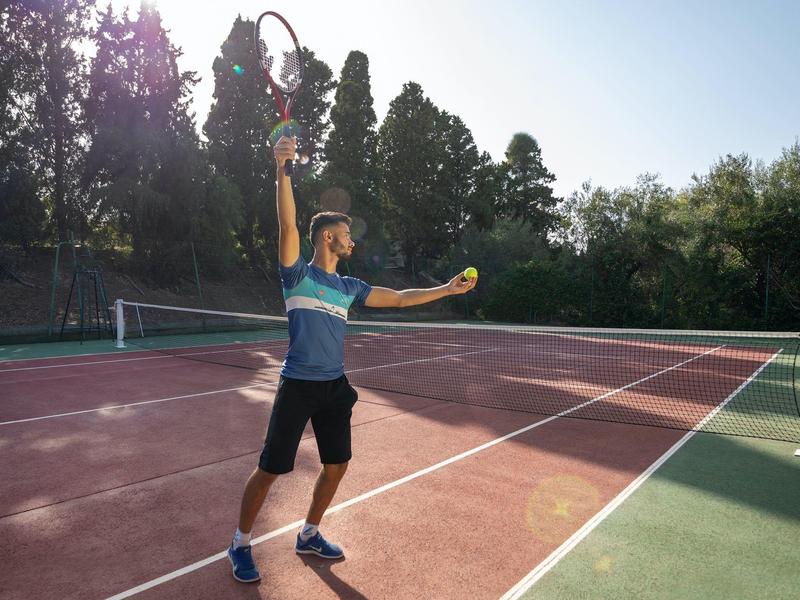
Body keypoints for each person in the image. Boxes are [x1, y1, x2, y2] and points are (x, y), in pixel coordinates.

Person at [227, 136, 477, 583]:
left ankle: (309, 532)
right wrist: (281, 168)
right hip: (298, 385)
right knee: (269, 470)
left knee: (337, 465)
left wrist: (446, 288)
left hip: (334, 387)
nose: (352, 244)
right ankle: (240, 543)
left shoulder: (350, 288)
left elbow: (399, 299)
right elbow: (287, 228)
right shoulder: (297, 274)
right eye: (346, 237)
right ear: (328, 238)